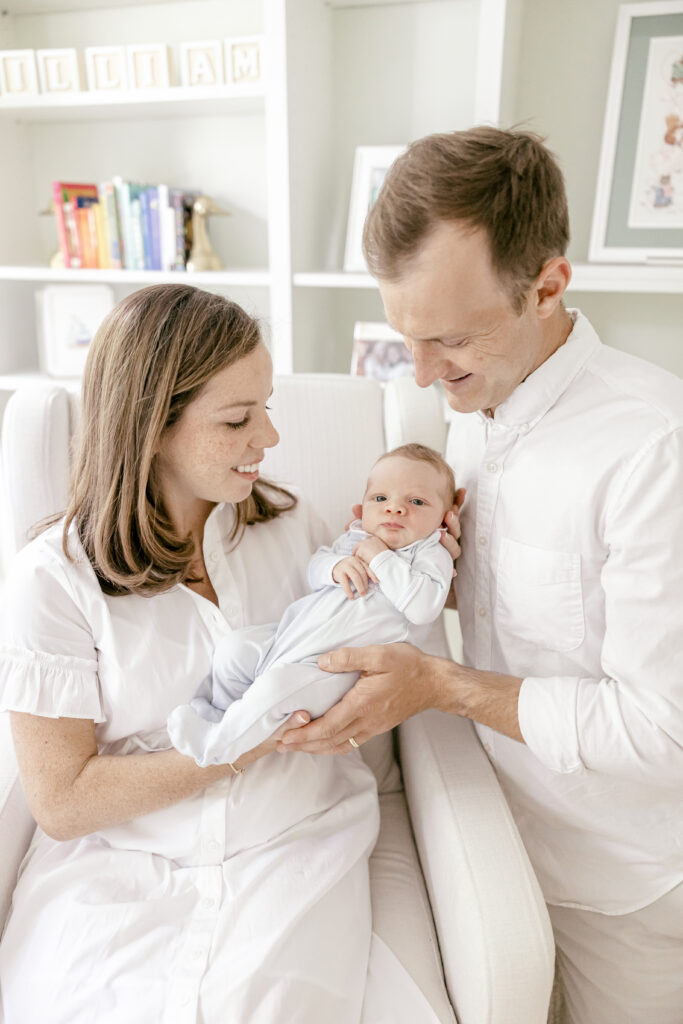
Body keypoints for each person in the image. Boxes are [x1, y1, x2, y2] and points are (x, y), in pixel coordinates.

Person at [278, 127, 683, 1024]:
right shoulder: (470, 412)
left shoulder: (654, 447)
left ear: (546, 286)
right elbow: (516, 600)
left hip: (621, 886)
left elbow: (664, 730)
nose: (422, 375)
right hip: (485, 835)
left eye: (451, 338)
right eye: (406, 339)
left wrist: (437, 685)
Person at [0, 283, 458, 1024]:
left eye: (267, 408)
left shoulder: (292, 528)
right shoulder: (51, 579)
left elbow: (378, 641)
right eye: (238, 419)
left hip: (291, 846)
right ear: (151, 427)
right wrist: (239, 746)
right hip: (122, 868)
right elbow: (62, 800)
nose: (268, 439)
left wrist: (420, 558)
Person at [167, 444, 455, 767]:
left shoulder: (431, 554)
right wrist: (334, 568)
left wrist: (381, 557)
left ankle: (218, 746)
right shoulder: (355, 538)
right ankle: (217, 712)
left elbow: (424, 608)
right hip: (285, 638)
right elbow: (315, 567)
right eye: (380, 499)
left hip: (331, 669)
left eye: (416, 501)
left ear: (444, 519)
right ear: (363, 506)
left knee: (276, 688)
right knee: (234, 649)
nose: (395, 509)